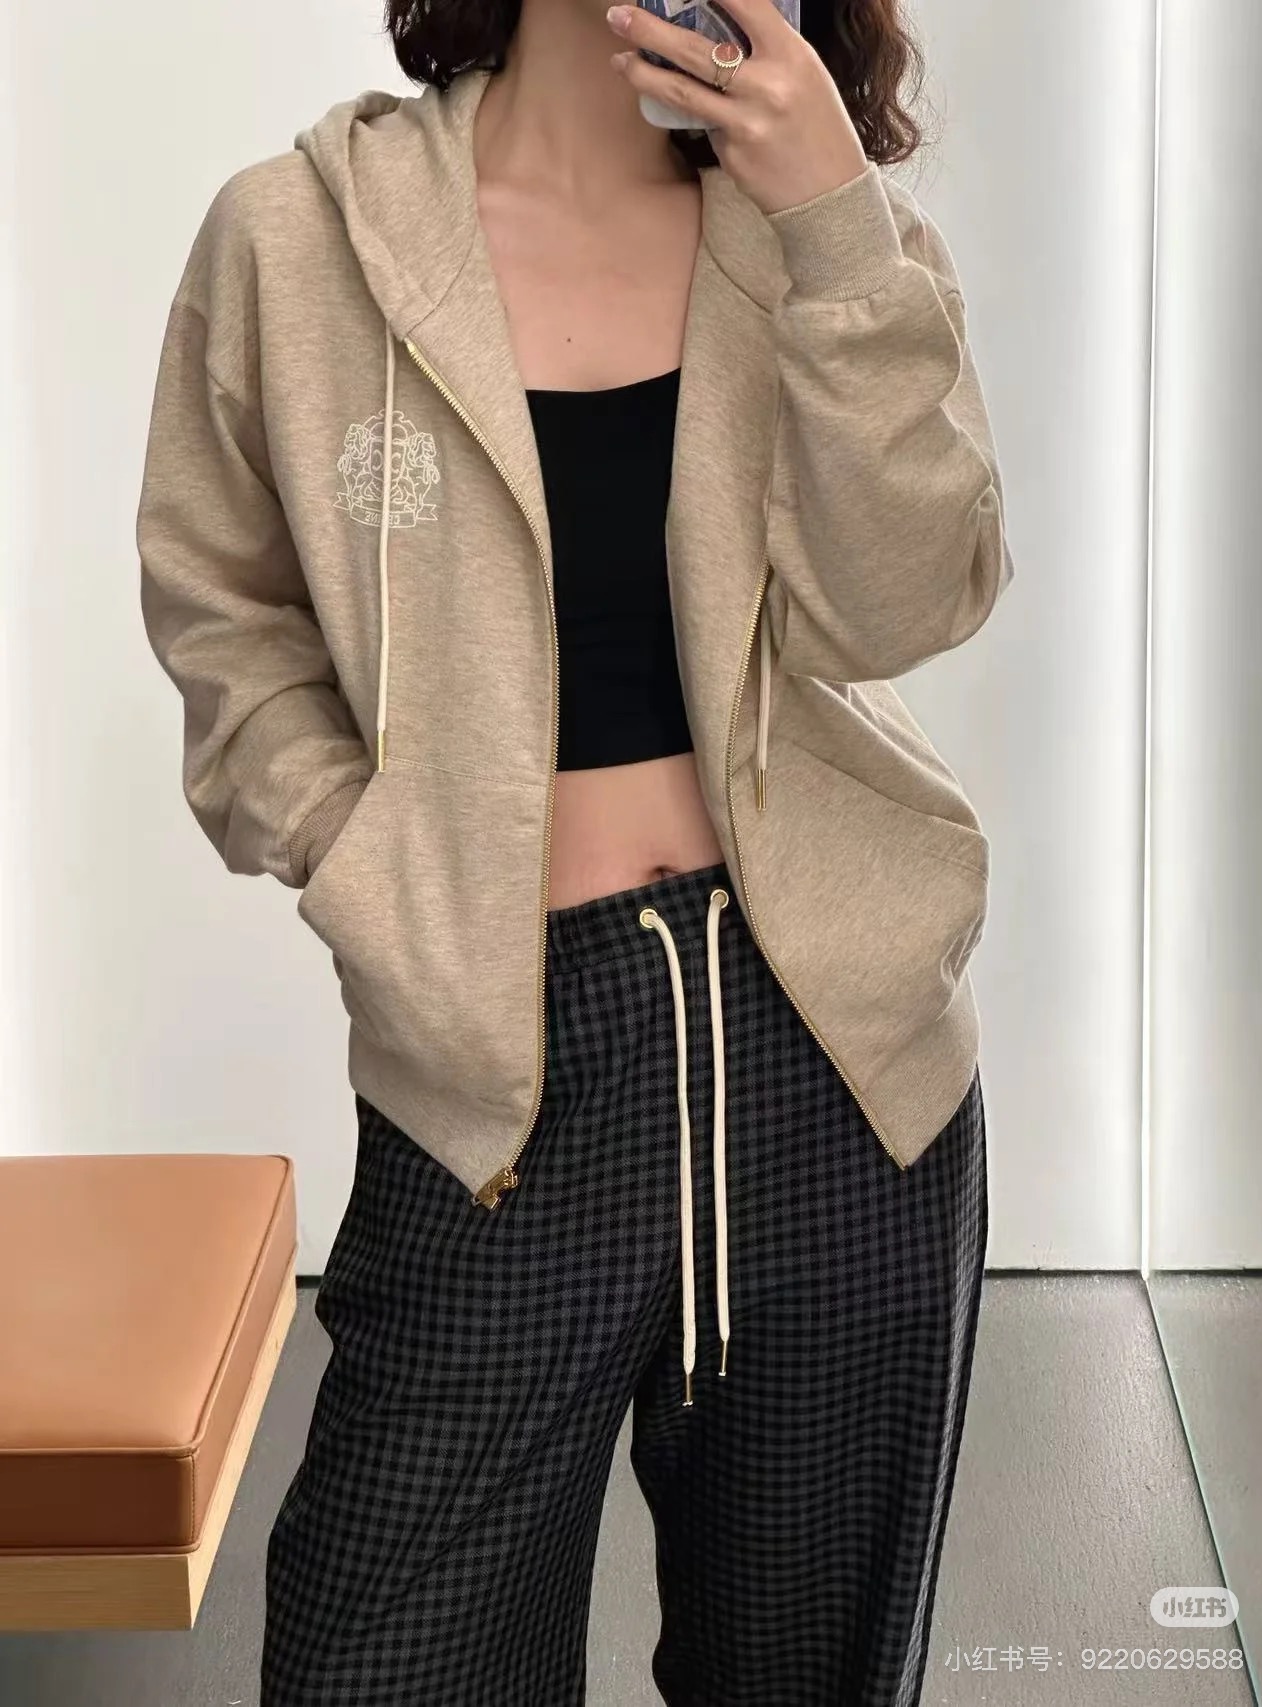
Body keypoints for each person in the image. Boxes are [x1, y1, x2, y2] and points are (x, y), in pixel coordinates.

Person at [136, 0, 1015, 1700]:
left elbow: (908, 603)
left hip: (840, 1083)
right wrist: (365, 861)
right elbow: (220, 609)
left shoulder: (830, 235)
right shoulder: (294, 237)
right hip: (498, 1096)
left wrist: (832, 219)